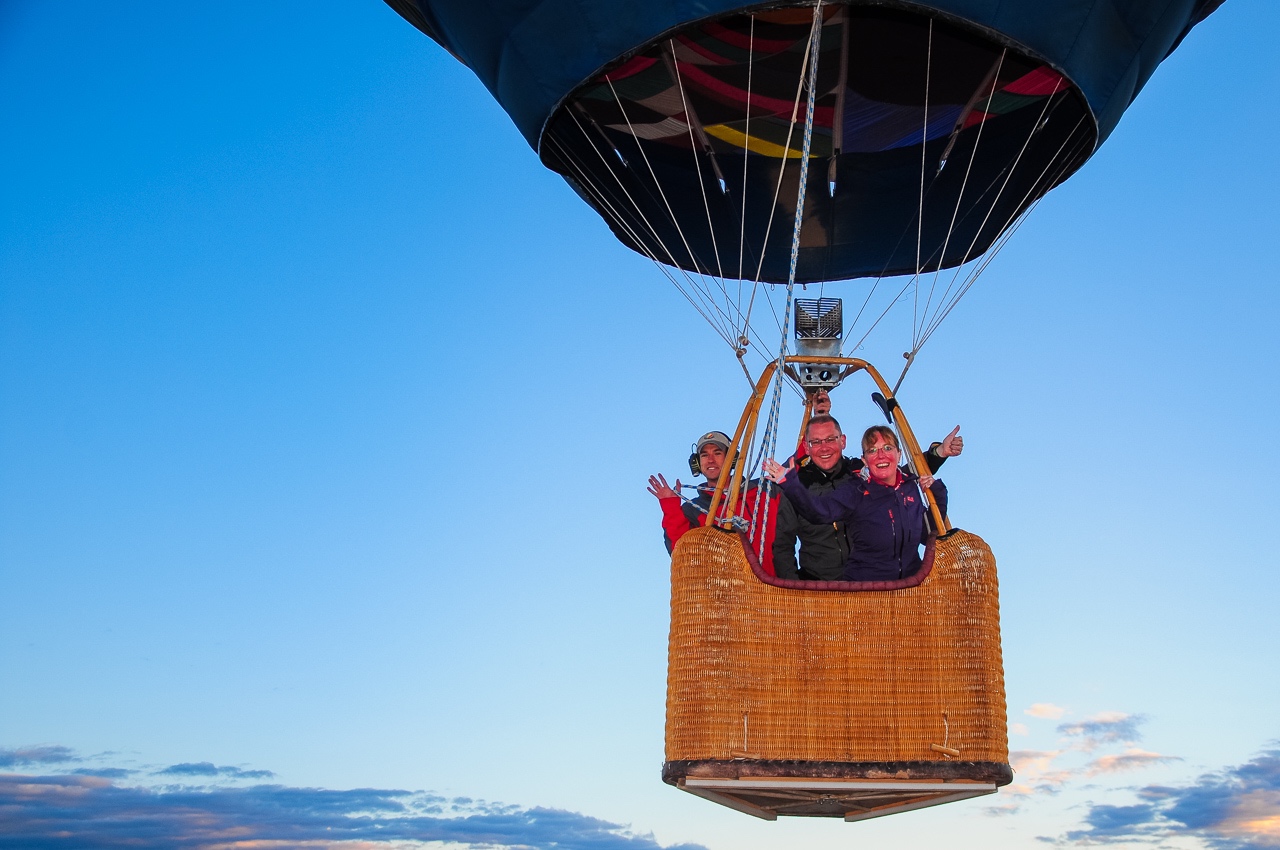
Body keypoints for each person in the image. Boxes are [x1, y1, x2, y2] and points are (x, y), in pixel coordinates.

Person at [773, 415, 961, 580]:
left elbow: (897, 475)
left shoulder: (859, 472)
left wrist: (938, 453)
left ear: (843, 441)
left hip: (871, 585)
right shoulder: (796, 487)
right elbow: (783, 545)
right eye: (816, 442)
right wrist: (794, 587)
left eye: (830, 439)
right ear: (806, 446)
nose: (824, 448)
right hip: (820, 586)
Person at [647, 430, 779, 575]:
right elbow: (680, 552)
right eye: (704, 455)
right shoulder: (693, 510)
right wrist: (671, 506)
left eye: (717, 453)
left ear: (732, 458)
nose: (710, 460)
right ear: (697, 463)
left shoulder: (765, 490)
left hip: (774, 588)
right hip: (725, 593)